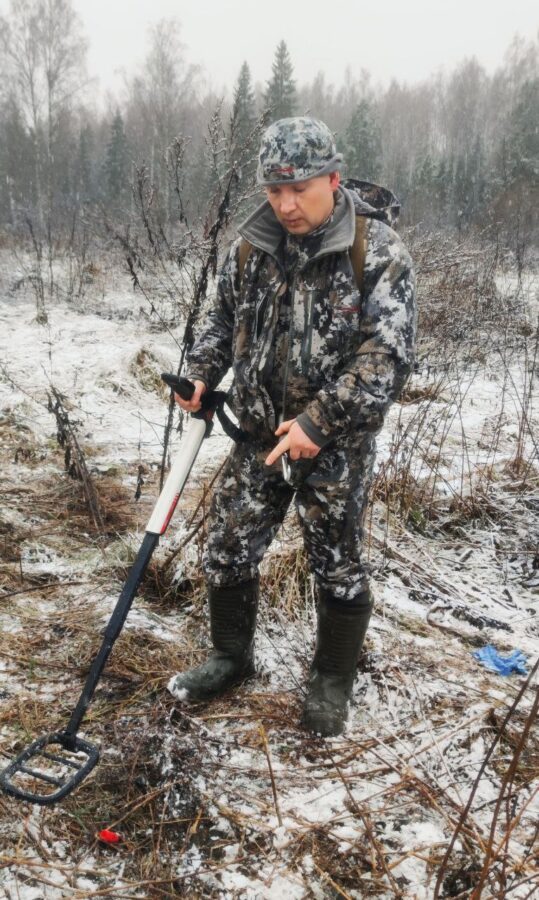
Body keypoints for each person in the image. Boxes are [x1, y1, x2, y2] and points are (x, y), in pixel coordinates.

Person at [168, 117, 416, 736]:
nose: (285, 204)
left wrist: (318, 420)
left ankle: (331, 682)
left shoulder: (378, 252)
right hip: (257, 437)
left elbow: (385, 359)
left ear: (332, 179)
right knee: (226, 548)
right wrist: (200, 373)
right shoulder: (251, 247)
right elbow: (221, 319)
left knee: (337, 563)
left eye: (299, 189)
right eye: (274, 191)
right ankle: (230, 657)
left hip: (333, 445)